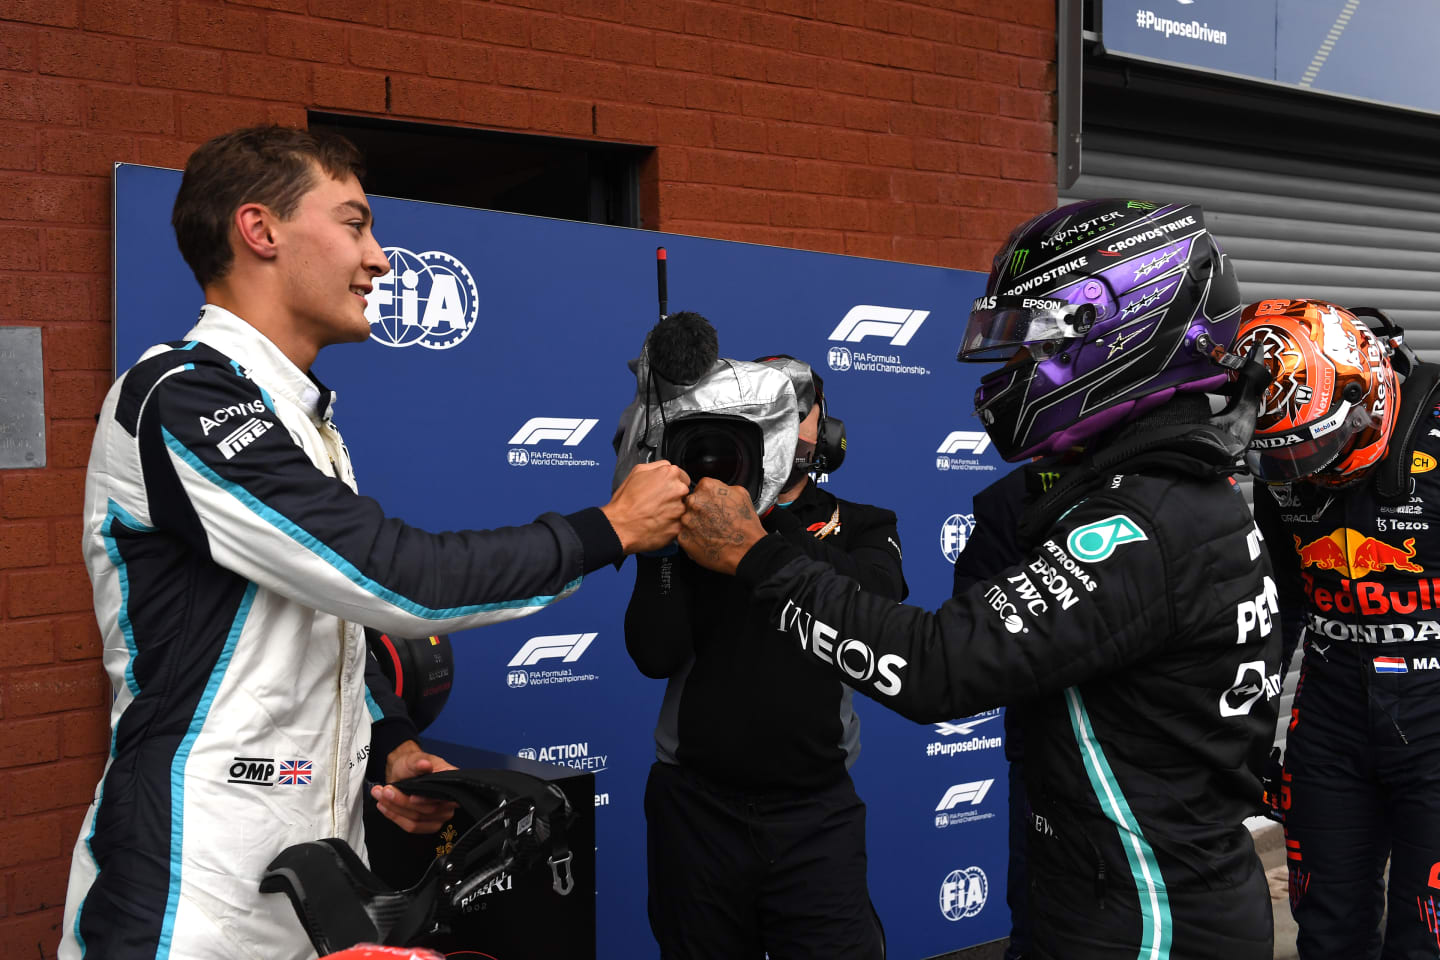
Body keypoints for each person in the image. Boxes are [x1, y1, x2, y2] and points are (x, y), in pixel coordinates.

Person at [60, 126, 689, 960]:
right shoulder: (181, 397)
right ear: (261, 230)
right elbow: (399, 578)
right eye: (355, 224)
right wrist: (605, 529)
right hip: (190, 892)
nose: (382, 258)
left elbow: (321, 622)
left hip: (318, 885)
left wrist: (389, 747)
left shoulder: (300, 416)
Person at [674, 198, 1282, 959]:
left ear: (1111, 332)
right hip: (1105, 886)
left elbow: (938, 666)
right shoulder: (1175, 491)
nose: (1013, 372)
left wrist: (755, 556)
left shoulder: (1148, 520)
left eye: (1029, 347)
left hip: (1147, 918)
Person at [625, 353, 906, 959]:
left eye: (796, 406)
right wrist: (664, 551)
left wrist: (756, 532)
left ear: (824, 427)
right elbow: (653, 652)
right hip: (695, 808)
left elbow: (880, 605)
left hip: (816, 812)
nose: (782, 421)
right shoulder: (690, 524)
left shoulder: (860, 522)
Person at [1240, 299, 1440, 959]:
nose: (1305, 465)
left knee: (1427, 939)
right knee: (1327, 932)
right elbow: (1280, 601)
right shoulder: (1277, 444)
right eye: (1286, 454)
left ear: (1364, 393)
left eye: (1318, 444)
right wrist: (1250, 720)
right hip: (1329, 716)